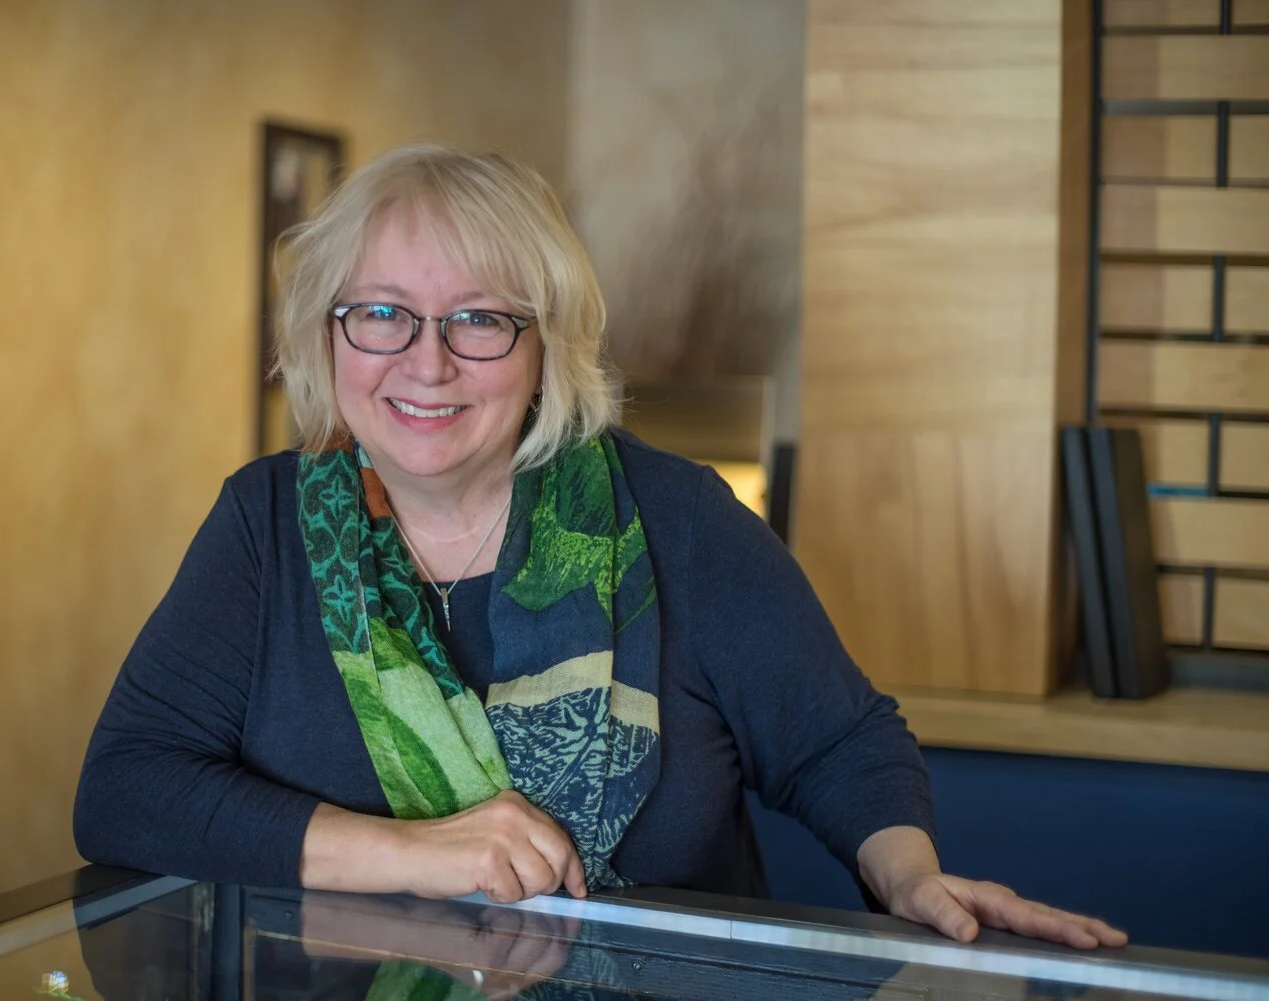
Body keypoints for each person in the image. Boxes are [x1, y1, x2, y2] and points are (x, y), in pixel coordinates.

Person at [74, 143, 1126, 952]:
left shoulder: (680, 518)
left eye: (480, 319)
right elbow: (126, 788)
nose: (427, 363)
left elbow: (839, 743)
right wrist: (415, 852)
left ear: (547, 346)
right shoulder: (264, 526)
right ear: (326, 334)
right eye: (383, 313)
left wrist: (909, 874)